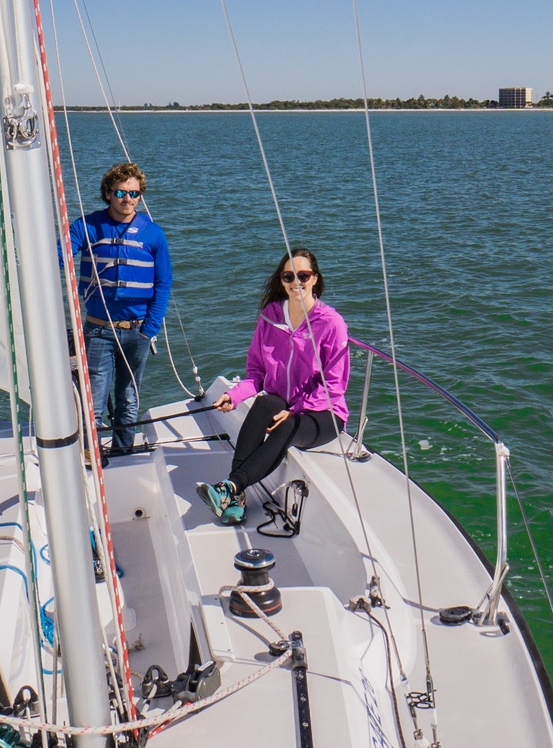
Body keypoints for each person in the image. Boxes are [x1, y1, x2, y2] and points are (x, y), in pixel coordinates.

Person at [196, 247, 348, 526]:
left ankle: (230, 488)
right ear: (282, 280)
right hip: (285, 403)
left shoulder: (331, 324)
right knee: (265, 403)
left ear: (315, 278)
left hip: (324, 412)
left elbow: (334, 386)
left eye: (303, 275)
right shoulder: (270, 316)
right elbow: (257, 374)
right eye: (289, 276)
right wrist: (234, 395)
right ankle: (236, 496)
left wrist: (297, 411)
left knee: (287, 426)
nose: (296, 282)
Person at [68, 162, 171, 457]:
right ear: (107, 193)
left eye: (134, 193)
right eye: (121, 192)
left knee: (128, 399)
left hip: (137, 331)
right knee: (95, 399)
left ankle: (124, 454)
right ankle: (91, 454)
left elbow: (164, 283)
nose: (128, 199)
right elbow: (60, 256)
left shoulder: (153, 235)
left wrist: (149, 329)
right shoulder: (86, 227)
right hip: (98, 330)